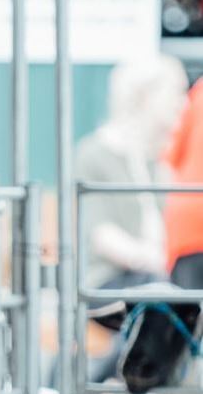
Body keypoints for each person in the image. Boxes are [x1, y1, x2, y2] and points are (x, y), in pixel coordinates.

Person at [74, 55, 187, 377]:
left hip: (156, 279)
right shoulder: (95, 153)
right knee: (162, 292)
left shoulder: (161, 158)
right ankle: (105, 377)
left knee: (171, 291)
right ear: (145, 96)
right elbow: (103, 236)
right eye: (174, 92)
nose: (182, 103)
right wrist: (160, 262)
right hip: (109, 284)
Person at [162, 67, 203, 289]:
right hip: (192, 224)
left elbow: (171, 156)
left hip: (188, 225)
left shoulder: (199, 91)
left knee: (189, 316)